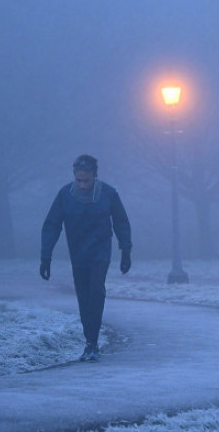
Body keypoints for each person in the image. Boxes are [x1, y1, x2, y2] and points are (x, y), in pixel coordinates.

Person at [40, 154, 132, 361]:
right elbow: (52, 225)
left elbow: (121, 222)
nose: (82, 185)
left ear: (95, 176)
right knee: (83, 297)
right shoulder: (65, 195)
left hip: (100, 252)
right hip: (78, 254)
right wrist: (46, 257)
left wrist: (125, 250)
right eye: (79, 180)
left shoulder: (108, 194)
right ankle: (89, 341)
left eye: (86, 180)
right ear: (74, 176)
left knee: (96, 292)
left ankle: (93, 342)